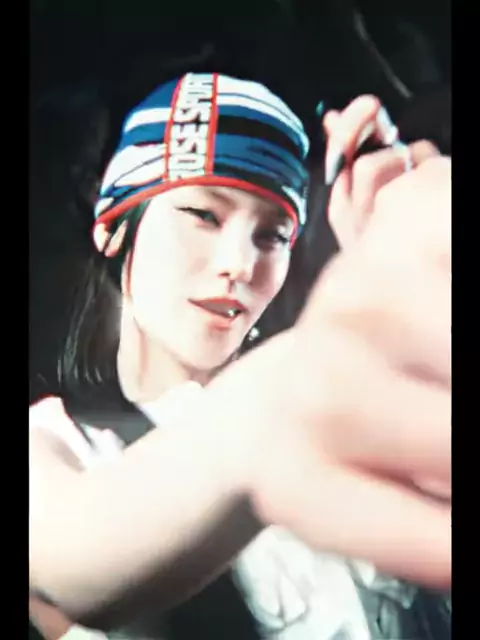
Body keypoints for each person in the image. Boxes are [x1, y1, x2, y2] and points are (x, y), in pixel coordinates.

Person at [29, 73, 451, 639]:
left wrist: (422, 278)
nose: (239, 264)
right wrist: (297, 385)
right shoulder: (56, 446)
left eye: (272, 236)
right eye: (203, 215)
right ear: (113, 228)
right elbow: (66, 562)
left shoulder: (364, 405)